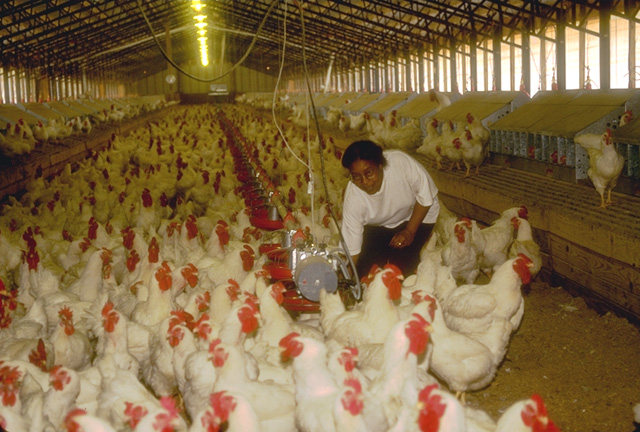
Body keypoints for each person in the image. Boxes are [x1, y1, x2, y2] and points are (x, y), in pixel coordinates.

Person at [340, 140, 440, 278]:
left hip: (418, 212)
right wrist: (349, 279)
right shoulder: (354, 198)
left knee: (400, 271)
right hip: (379, 223)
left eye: (369, 173)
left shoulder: (400, 164)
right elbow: (353, 246)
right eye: (356, 177)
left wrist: (409, 231)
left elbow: (425, 196)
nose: (365, 182)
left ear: (380, 165)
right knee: (366, 272)